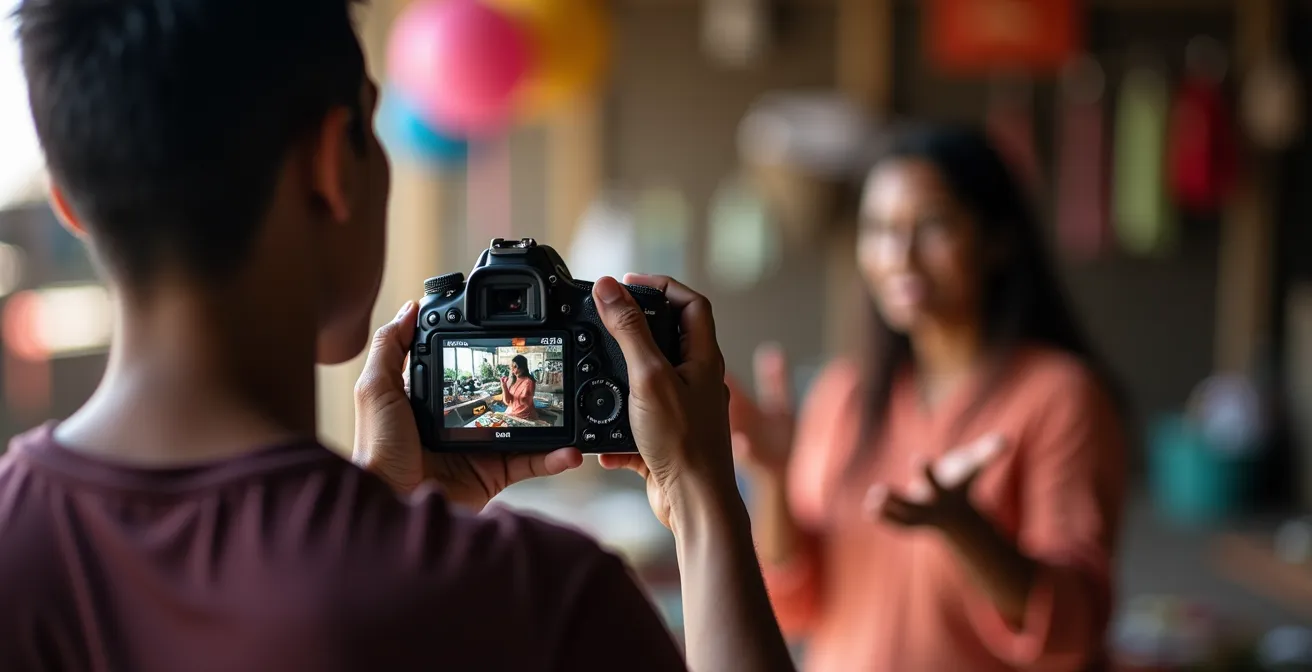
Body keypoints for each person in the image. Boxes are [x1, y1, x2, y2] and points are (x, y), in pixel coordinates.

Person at [0, 1, 795, 671]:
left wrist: (391, 510)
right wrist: (700, 497)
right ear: (331, 165)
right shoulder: (536, 598)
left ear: (68, 203)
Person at [729, 126, 1128, 671]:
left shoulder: (1060, 396)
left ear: (997, 240)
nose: (900, 255)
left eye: (933, 224)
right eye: (880, 229)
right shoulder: (844, 394)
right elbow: (794, 605)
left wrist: (966, 529)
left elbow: (1074, 627)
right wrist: (773, 478)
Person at [500, 355, 539, 421]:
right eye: (512, 367)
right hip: (514, 415)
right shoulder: (514, 381)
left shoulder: (529, 382)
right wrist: (504, 386)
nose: (512, 370)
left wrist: (513, 415)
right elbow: (507, 401)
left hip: (525, 417)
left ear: (522, 367)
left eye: (515, 367)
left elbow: (525, 404)